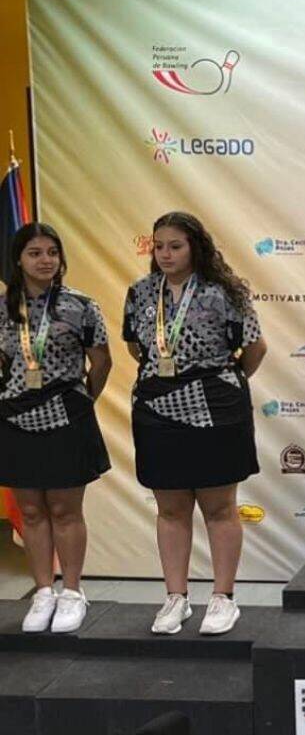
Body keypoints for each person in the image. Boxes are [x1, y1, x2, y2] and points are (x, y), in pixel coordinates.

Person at [123, 212, 266, 636]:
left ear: (195, 247)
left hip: (216, 408)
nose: (165, 254)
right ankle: (176, 598)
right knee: (170, 508)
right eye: (159, 246)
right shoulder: (140, 292)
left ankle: (223, 599)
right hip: (157, 409)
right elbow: (136, 347)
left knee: (219, 508)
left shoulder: (225, 292)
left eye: (176, 246)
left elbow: (254, 350)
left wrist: (220, 384)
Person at [0, 222, 111, 634]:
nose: (45, 260)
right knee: (30, 511)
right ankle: (43, 591)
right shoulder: (3, 308)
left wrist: (83, 403)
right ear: (18, 260)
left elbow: (101, 362)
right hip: (14, 417)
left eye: (52, 252)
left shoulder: (82, 306)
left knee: (65, 510)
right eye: (35, 253)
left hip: (67, 415)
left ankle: (72, 591)